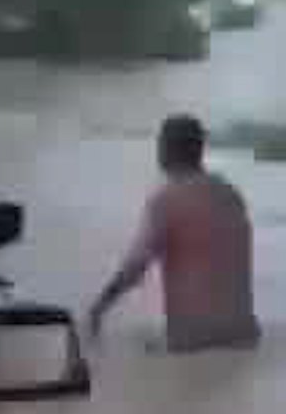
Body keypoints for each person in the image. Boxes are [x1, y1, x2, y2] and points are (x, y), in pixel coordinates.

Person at [88, 114, 260, 353]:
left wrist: (98, 307)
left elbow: (135, 268)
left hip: (192, 340)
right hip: (244, 335)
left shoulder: (166, 201)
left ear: (165, 150)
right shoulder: (230, 195)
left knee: (120, 356)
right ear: (199, 149)